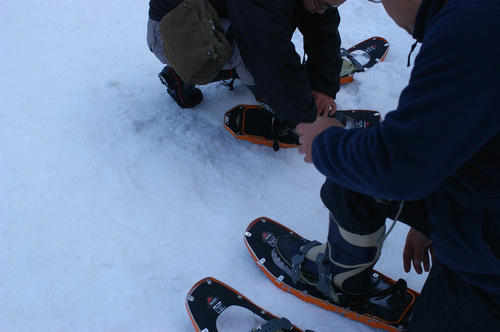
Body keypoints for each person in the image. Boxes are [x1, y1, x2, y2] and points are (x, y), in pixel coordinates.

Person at [275, 0, 500, 330]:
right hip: (475, 206)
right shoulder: (470, 17)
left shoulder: (474, 25)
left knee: (364, 161)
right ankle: (346, 278)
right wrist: (429, 218)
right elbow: (460, 131)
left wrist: (323, 142)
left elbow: (397, 165)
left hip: (489, 258)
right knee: (356, 171)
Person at [147, 0, 346, 126]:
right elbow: (269, 55)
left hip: (200, 16)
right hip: (168, 32)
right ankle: (185, 70)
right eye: (322, 5)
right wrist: (303, 115)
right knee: (249, 52)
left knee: (252, 42)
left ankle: (189, 70)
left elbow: (322, 28)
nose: (322, 12)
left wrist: (323, 85)